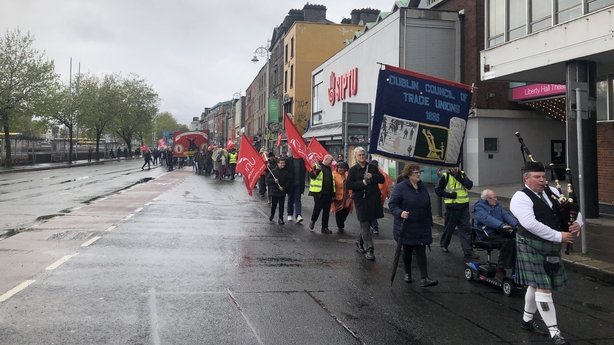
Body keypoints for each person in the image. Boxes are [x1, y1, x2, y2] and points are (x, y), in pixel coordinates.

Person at [510, 161, 582, 345]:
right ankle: (554, 332)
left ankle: (526, 320)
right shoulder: (520, 198)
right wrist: (559, 235)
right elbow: (530, 224)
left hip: (551, 245)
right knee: (543, 286)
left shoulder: (553, 192)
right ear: (527, 179)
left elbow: (571, 208)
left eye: (543, 177)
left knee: (535, 285)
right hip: (531, 244)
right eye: (537, 177)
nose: (542, 180)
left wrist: (577, 223)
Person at [388, 163, 438, 287]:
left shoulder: (422, 187)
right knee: (407, 250)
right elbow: (392, 204)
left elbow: (428, 205)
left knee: (421, 250)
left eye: (419, 172)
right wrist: (401, 213)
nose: (418, 174)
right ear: (409, 174)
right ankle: (408, 273)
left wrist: (429, 222)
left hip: (421, 224)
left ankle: (424, 277)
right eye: (416, 172)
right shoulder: (400, 188)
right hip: (407, 225)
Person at [345, 147, 384, 260]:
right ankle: (369, 249)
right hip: (361, 200)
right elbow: (349, 185)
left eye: (363, 155)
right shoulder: (353, 170)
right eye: (360, 155)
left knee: (369, 222)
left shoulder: (372, 167)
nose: (362, 157)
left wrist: (373, 176)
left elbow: (382, 179)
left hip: (373, 199)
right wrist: (362, 183)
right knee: (365, 224)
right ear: (356, 157)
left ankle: (359, 241)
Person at [472, 189, 518, 280]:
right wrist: (503, 226)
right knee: (508, 243)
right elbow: (488, 219)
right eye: (494, 198)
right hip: (487, 234)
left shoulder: (497, 206)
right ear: (486, 199)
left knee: (519, 238)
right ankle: (500, 270)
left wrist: (516, 225)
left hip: (499, 231)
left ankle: (516, 269)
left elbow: (506, 216)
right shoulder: (479, 208)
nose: (496, 199)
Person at [435, 166, 479, 259]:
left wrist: (458, 176)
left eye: (455, 167)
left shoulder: (461, 174)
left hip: (463, 207)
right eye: (452, 167)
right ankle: (444, 244)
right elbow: (438, 190)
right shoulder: (446, 176)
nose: (454, 168)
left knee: (465, 229)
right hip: (452, 207)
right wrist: (449, 195)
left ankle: (468, 251)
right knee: (449, 228)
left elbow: (469, 185)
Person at [308, 154, 335, 234]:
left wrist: (333, 193)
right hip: (318, 193)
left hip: (328, 194)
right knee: (317, 208)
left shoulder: (330, 168)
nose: (331, 163)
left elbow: (332, 181)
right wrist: (318, 170)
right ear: (326, 159)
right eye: (330, 161)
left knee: (326, 211)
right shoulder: (316, 165)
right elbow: (312, 176)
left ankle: (325, 227)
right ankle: (313, 220)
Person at [368, 159, 391, 235]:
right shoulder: (370, 173)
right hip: (377, 196)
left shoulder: (380, 174)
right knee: (373, 211)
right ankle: (374, 225)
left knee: (373, 211)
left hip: (379, 196)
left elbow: (386, 184)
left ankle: (374, 226)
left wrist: (388, 193)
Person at [266, 159, 291, 225]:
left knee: (281, 205)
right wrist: (274, 181)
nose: (283, 164)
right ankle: (272, 215)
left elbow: (288, 181)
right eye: (281, 163)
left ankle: (281, 218)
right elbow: (268, 180)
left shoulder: (286, 172)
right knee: (274, 205)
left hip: (282, 191)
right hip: (274, 191)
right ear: (278, 164)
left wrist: (284, 187)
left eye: (284, 163)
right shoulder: (273, 171)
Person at [285, 150, 306, 223]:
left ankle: (298, 215)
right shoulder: (288, 160)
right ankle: (289, 214)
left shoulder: (302, 161)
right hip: (290, 183)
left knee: (298, 199)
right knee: (290, 199)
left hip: (299, 184)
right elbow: (284, 170)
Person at [331, 162, 353, 233]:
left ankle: (342, 221)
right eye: (340, 168)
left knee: (346, 210)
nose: (341, 169)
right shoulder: (334, 175)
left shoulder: (347, 175)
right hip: (338, 197)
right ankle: (340, 225)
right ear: (337, 168)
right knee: (339, 211)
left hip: (347, 197)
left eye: (342, 168)